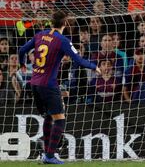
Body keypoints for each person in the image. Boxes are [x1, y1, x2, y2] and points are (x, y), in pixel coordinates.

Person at [18, 10, 101, 164]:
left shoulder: (40, 34)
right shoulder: (63, 40)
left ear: (51, 22)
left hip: (34, 84)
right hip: (49, 85)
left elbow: (22, 50)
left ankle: (46, 153)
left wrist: (22, 63)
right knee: (60, 119)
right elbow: (78, 60)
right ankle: (49, 155)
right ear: (65, 23)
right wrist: (94, 66)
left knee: (49, 116)